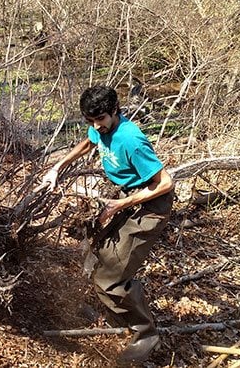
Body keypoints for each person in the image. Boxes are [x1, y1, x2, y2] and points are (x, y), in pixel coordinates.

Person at [40, 85, 174, 364]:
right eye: (90, 120)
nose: (95, 126)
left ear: (114, 110)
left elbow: (165, 183)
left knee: (111, 278)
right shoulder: (99, 127)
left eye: (100, 119)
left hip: (150, 208)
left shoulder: (131, 139)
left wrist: (121, 205)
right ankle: (114, 311)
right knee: (96, 252)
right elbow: (89, 142)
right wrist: (57, 167)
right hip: (128, 200)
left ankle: (146, 333)